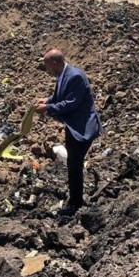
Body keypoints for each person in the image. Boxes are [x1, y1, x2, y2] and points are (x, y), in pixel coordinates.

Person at [35, 48, 102, 215]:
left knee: (74, 164)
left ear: (55, 63)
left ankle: (75, 203)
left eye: (47, 66)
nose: (47, 70)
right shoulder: (63, 74)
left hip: (82, 128)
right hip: (73, 127)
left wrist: (47, 108)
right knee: (73, 163)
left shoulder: (75, 76)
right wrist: (48, 100)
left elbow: (70, 103)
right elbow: (61, 96)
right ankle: (75, 199)